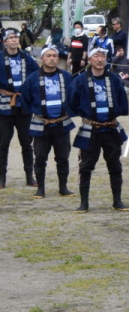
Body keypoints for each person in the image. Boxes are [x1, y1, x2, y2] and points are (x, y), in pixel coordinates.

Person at [69, 45, 129, 211]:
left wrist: (118, 112)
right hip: (91, 128)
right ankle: (84, 203)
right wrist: (83, 113)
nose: (99, 59)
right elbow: (71, 99)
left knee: (115, 165)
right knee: (86, 167)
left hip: (110, 127)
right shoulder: (81, 80)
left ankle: (117, 200)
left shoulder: (113, 79)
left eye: (103, 56)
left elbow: (121, 98)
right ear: (90, 59)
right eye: (96, 56)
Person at [20, 44, 74, 198]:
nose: (52, 59)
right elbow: (25, 100)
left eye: (54, 56)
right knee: (40, 157)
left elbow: (74, 96)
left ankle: (63, 187)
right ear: (41, 58)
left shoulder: (66, 77)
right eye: (48, 56)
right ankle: (40, 188)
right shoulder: (32, 79)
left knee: (63, 157)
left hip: (61, 123)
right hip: (41, 124)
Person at [0, 27, 39, 188]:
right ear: (5, 41)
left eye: (16, 37)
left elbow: (37, 76)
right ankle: (1, 177)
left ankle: (30, 175)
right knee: (3, 143)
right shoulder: (0, 58)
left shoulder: (27, 58)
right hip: (4, 104)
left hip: (23, 105)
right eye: (11, 38)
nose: (14, 40)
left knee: (26, 142)